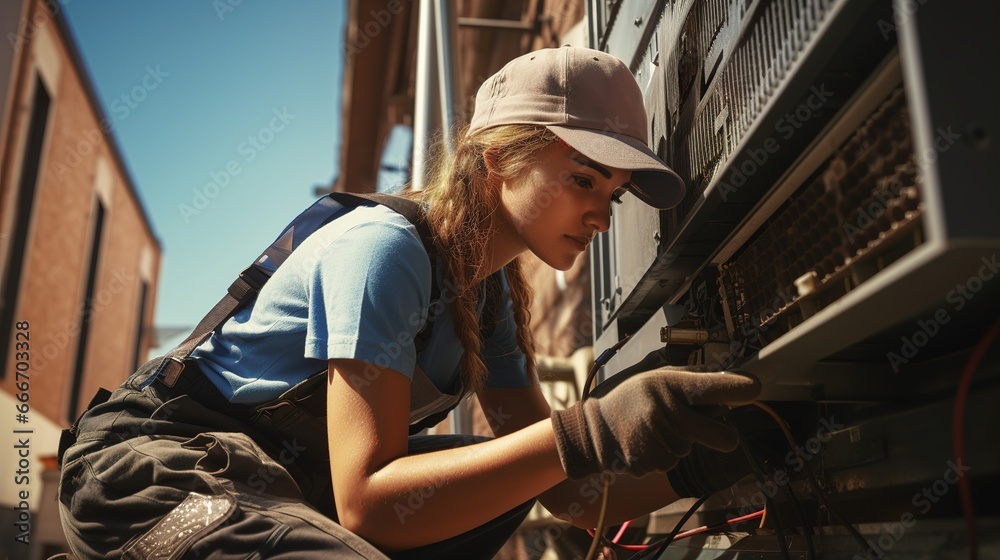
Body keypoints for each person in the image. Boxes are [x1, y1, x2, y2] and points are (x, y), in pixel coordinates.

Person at [56, 46, 760, 559]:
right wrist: (595, 427)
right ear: (496, 159)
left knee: (505, 465)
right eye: (583, 178)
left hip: (281, 489)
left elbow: (566, 491)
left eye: (614, 194)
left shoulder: (487, 302)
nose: (604, 214)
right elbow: (369, 506)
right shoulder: (384, 251)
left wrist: (709, 466)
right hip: (149, 476)